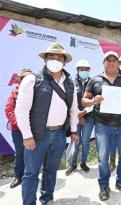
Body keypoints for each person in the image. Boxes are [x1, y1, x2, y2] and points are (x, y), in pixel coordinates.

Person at [15, 42, 79, 205]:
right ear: (45, 60)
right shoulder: (32, 79)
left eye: (59, 58)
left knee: (51, 171)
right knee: (31, 173)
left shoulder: (70, 83)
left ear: (64, 61)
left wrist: (73, 131)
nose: (55, 60)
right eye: (52, 57)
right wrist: (27, 135)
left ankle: (47, 198)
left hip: (58, 135)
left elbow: (73, 109)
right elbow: (21, 110)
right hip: (37, 135)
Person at [82, 51, 121, 201]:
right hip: (102, 125)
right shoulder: (94, 80)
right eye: (108, 60)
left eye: (114, 60)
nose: (111, 63)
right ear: (103, 63)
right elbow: (84, 100)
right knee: (103, 157)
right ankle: (104, 185)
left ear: (118, 64)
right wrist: (92, 101)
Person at [66, 60, 95, 175]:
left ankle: (83, 163)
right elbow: (70, 102)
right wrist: (78, 116)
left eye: (86, 69)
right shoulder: (71, 83)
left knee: (85, 141)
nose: (84, 71)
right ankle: (73, 164)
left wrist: (83, 113)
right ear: (77, 70)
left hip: (89, 117)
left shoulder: (93, 83)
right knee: (76, 141)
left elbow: (93, 102)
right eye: (81, 69)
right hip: (75, 117)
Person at [5, 68, 32, 189]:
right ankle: (18, 176)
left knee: (32, 153)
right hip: (18, 130)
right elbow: (9, 110)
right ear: (20, 80)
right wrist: (21, 125)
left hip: (33, 129)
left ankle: (31, 175)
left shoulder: (35, 93)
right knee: (20, 153)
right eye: (23, 79)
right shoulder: (13, 94)